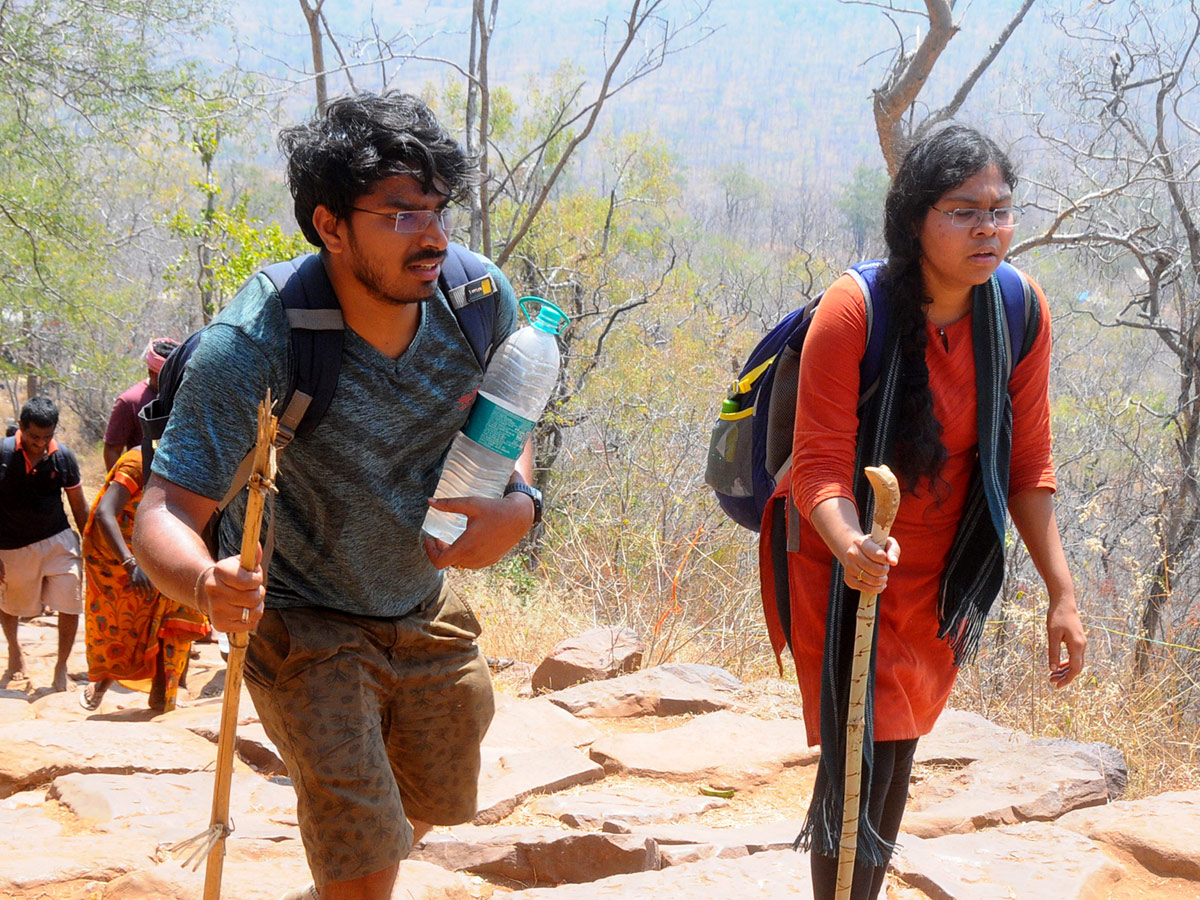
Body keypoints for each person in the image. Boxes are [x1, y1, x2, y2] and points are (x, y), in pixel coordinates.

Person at [133, 91, 539, 900]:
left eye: (438, 210)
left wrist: (521, 502)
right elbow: (164, 512)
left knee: (432, 802)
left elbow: (511, 417)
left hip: (419, 605)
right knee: (365, 858)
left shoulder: (477, 302)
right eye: (399, 215)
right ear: (329, 225)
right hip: (301, 616)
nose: (431, 237)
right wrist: (206, 584)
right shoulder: (255, 344)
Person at [767, 125, 1087, 899]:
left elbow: (1028, 464)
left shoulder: (1017, 309)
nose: (989, 229)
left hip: (940, 570)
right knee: (858, 757)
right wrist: (851, 547)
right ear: (916, 221)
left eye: (1001, 210)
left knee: (896, 747)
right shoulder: (856, 309)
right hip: (834, 556)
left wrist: (1062, 592)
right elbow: (816, 466)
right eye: (963, 211)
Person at [80, 447, 209, 713]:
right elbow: (106, 512)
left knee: (170, 619)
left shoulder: (190, 459)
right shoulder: (138, 462)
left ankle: (162, 698)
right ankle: (105, 679)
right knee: (120, 627)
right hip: (119, 557)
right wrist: (130, 563)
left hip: (164, 549)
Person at [0, 396, 91, 692]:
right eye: (34, 436)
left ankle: (61, 665)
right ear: (22, 428)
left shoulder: (63, 457)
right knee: (11, 604)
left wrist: (92, 547)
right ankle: (14, 651)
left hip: (57, 539)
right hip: (12, 545)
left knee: (70, 599)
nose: (40, 443)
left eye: (47, 436)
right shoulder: (2, 455)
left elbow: (79, 507)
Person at [102, 338, 179, 471]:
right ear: (151, 372)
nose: (172, 381)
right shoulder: (130, 402)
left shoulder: (183, 396)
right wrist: (123, 484)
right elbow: (112, 449)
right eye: (166, 377)